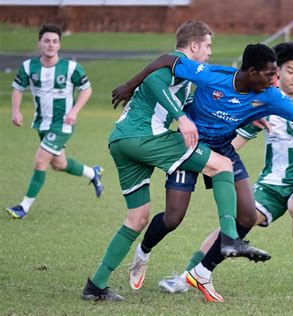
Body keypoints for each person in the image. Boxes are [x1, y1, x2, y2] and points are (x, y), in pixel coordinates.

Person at [112, 42, 293, 302]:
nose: (275, 80)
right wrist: (131, 85)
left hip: (222, 150)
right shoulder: (212, 75)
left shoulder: (269, 95)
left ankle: (201, 272)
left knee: (246, 217)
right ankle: (143, 253)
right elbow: (167, 59)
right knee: (173, 218)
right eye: (271, 74)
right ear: (252, 71)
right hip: (188, 147)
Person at [82, 20, 270, 302]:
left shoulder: (187, 75)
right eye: (207, 46)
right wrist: (181, 118)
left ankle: (95, 286)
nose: (209, 52)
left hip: (121, 141)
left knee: (137, 218)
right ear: (193, 46)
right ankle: (230, 237)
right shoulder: (177, 63)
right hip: (145, 137)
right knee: (222, 165)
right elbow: (154, 81)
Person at [6, 24, 103, 220]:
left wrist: (74, 111)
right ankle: (92, 174)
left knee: (41, 161)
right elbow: (17, 88)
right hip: (42, 123)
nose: (51, 45)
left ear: (59, 45)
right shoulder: (28, 67)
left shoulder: (71, 68)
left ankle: (23, 207)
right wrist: (15, 111)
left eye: (55, 41)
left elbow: (87, 89)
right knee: (59, 164)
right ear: (39, 44)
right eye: (47, 41)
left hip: (63, 123)